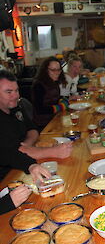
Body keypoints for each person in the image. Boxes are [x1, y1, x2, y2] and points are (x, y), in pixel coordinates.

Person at [0, 69, 55, 215]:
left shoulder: (15, 108)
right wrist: (7, 202)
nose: (16, 95)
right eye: (8, 92)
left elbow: (8, 152)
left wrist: (30, 165)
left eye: (16, 90)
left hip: (13, 177)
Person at [31, 57, 69, 130]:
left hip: (54, 118)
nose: (57, 72)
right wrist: (60, 107)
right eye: (53, 70)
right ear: (45, 70)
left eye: (58, 70)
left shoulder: (53, 81)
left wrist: (63, 99)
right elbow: (40, 109)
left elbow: (54, 98)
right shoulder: (38, 85)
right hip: (43, 124)